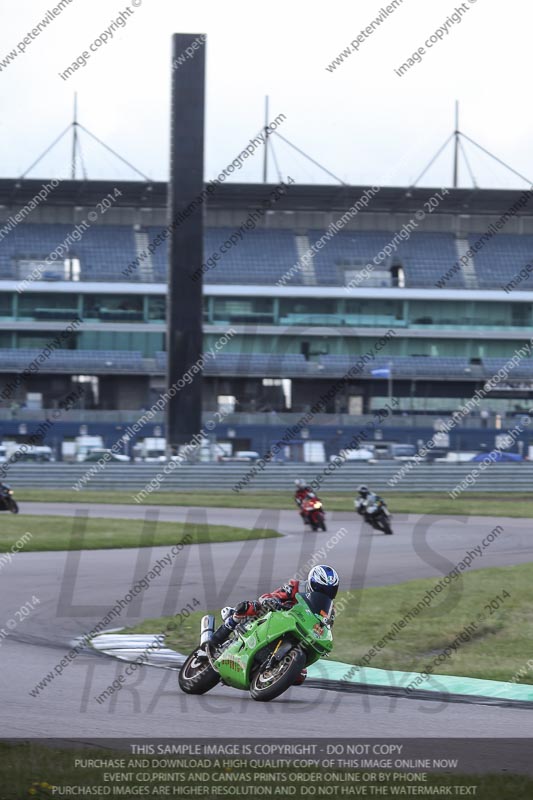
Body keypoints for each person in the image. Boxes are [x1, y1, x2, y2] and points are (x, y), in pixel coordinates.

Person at [205, 565, 340, 685]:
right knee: (251, 607)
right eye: (322, 588)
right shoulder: (297, 587)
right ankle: (228, 624)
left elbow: (324, 628)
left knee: (300, 676)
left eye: (329, 590)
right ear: (313, 583)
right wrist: (272, 601)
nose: (325, 593)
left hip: (298, 630)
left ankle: (268, 671)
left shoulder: (329, 611)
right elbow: (272, 595)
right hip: (275, 615)